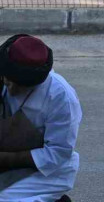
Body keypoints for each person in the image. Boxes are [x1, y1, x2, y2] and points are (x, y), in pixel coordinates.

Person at [0, 34, 82, 202]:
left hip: (46, 172)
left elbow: (57, 154)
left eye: (21, 86)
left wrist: (5, 159)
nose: (12, 91)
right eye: (8, 82)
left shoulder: (61, 97)